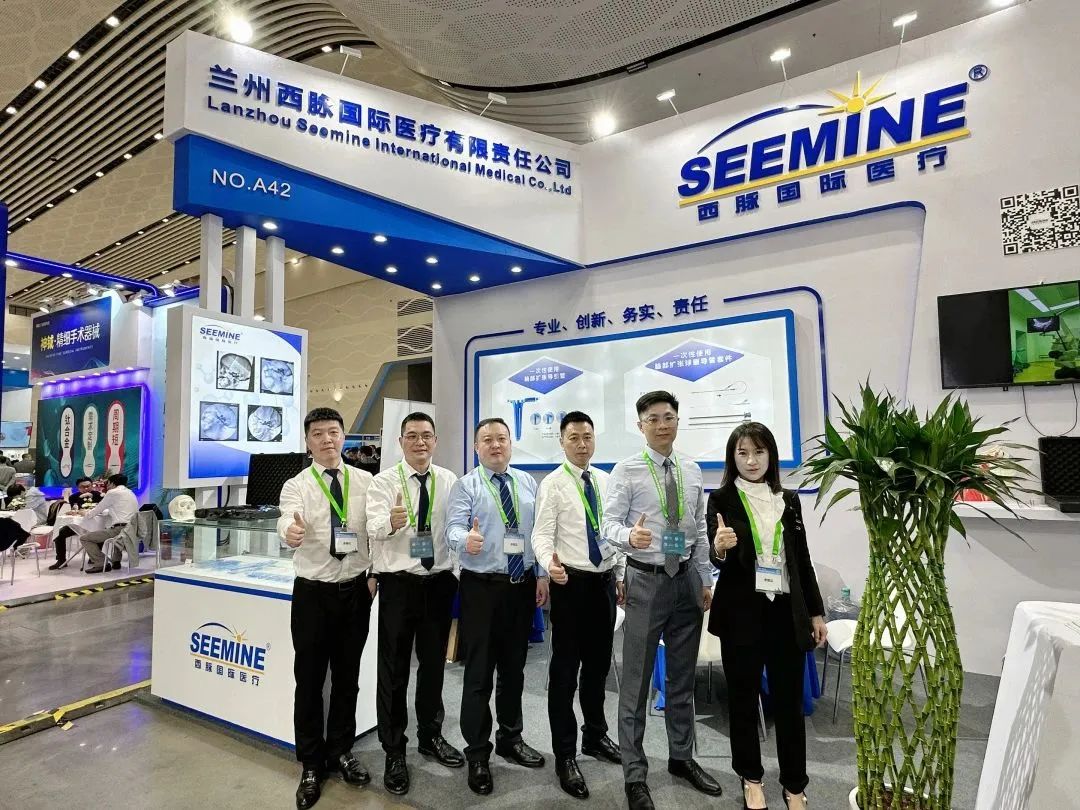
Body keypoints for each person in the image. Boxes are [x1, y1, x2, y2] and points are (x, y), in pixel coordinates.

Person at [601, 391, 722, 810]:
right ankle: (635, 775)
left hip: (686, 580)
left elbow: (699, 530)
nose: (662, 424)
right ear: (641, 426)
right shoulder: (626, 470)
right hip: (645, 581)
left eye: (668, 417)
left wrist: (704, 578)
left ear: (677, 421)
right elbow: (607, 525)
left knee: (681, 680)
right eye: (653, 418)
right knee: (636, 684)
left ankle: (681, 757)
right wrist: (627, 536)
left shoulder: (691, 469)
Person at [707, 423, 827, 810]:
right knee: (743, 700)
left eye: (759, 452)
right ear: (733, 458)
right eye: (742, 453)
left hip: (785, 613)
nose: (751, 460)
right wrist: (719, 548)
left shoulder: (788, 499)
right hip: (741, 614)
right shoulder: (721, 499)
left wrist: (816, 612)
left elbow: (801, 560)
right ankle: (751, 778)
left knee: (789, 703)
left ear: (770, 455)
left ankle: (794, 784)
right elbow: (716, 555)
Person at [277, 407, 375, 810]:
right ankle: (311, 764)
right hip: (313, 595)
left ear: (343, 436)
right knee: (310, 681)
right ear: (308, 441)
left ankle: (341, 750)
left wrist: (374, 575)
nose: (327, 439)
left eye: (333, 432)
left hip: (355, 592)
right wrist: (291, 531)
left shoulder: (366, 481)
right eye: (318, 434)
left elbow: (376, 531)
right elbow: (286, 519)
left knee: (348, 678)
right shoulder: (296, 485)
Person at [445, 417, 549, 796]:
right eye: (487, 439)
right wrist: (465, 540)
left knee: (513, 670)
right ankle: (477, 752)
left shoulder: (526, 483)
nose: (495, 445)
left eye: (501, 438)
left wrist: (541, 574)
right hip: (482, 589)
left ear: (510, 443)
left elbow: (537, 533)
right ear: (477, 447)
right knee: (478, 675)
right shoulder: (466, 485)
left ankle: (510, 738)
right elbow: (452, 529)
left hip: (520, 587)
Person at [365, 412, 464, 795]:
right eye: (412, 436)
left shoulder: (449, 481)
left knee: (434, 665)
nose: (419, 442)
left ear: (435, 440)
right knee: (393, 671)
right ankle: (394, 750)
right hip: (399, 585)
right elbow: (372, 529)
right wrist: (391, 523)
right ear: (401, 442)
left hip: (438, 584)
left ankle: (430, 735)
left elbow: (454, 530)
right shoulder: (384, 482)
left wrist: (456, 572)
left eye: (426, 436)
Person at [532, 411, 625, 800]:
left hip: (603, 585)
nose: (582, 444)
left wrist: (620, 573)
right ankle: (565, 755)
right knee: (565, 673)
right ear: (562, 441)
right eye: (574, 437)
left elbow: (613, 532)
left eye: (587, 436)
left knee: (598, 668)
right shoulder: (553, 484)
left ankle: (596, 736)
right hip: (570, 585)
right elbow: (541, 534)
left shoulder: (605, 481)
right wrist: (547, 563)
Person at [77, 473, 138, 573]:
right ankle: (116, 561)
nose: (107, 486)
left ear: (112, 483)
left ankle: (101, 563)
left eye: (108, 483)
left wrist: (85, 514)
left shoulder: (113, 493)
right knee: (112, 528)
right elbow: (116, 510)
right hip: (133, 528)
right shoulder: (130, 493)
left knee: (85, 538)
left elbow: (98, 509)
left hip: (121, 529)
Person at [48, 477, 103, 570]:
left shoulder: (99, 496)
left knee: (99, 533)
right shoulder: (73, 497)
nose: (86, 489)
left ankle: (95, 557)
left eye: (88, 486)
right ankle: (61, 560)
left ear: (92, 485)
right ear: (78, 487)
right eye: (83, 487)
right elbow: (75, 510)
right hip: (78, 524)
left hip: (95, 523)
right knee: (59, 534)